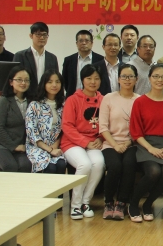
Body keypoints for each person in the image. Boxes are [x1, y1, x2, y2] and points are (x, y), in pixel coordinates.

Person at [129, 63, 163, 223]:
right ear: (149, 78)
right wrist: (150, 148)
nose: (159, 80)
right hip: (146, 144)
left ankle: (148, 204)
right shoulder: (140, 102)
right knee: (154, 171)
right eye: (156, 76)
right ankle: (133, 204)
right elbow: (136, 132)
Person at [61, 64, 105, 220]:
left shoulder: (104, 100)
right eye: (89, 78)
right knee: (84, 164)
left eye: (96, 78)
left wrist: (101, 138)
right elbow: (67, 126)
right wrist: (85, 142)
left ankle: (85, 202)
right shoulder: (72, 100)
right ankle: (75, 205)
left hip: (95, 142)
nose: (93, 82)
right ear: (82, 80)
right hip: (72, 142)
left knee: (98, 163)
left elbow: (107, 124)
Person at [99, 63, 140, 221]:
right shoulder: (108, 98)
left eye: (131, 76)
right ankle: (109, 202)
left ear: (136, 79)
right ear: (118, 79)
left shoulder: (139, 100)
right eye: (124, 76)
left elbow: (140, 129)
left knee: (129, 164)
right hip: (110, 143)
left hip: (132, 143)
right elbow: (103, 127)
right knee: (115, 165)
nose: (127, 79)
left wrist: (127, 143)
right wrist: (115, 145)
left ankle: (122, 203)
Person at [0, 66, 33, 172]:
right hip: (1, 145)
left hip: (22, 146)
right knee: (10, 166)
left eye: (26, 80)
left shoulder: (32, 102)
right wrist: (13, 146)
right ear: (11, 82)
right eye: (19, 80)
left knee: (26, 166)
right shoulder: (4, 101)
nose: (23, 83)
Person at [25, 69, 66, 174]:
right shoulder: (34, 105)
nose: (54, 85)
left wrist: (55, 145)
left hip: (55, 146)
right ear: (44, 84)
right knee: (50, 167)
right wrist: (50, 150)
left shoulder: (64, 104)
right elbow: (32, 133)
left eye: (57, 82)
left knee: (61, 164)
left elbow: (64, 129)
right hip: (37, 147)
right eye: (50, 82)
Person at [13, 22, 59, 93]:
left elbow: (55, 79)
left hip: (46, 96)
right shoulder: (20, 56)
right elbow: (15, 79)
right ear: (31, 36)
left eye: (44, 35)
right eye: (38, 34)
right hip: (26, 95)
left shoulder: (52, 58)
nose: (42, 38)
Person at [62, 30, 104, 97]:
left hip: (94, 98)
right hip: (73, 98)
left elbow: (102, 81)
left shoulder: (100, 59)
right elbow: (65, 81)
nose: (84, 43)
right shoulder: (68, 60)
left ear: (92, 43)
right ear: (76, 43)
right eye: (81, 41)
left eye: (87, 41)